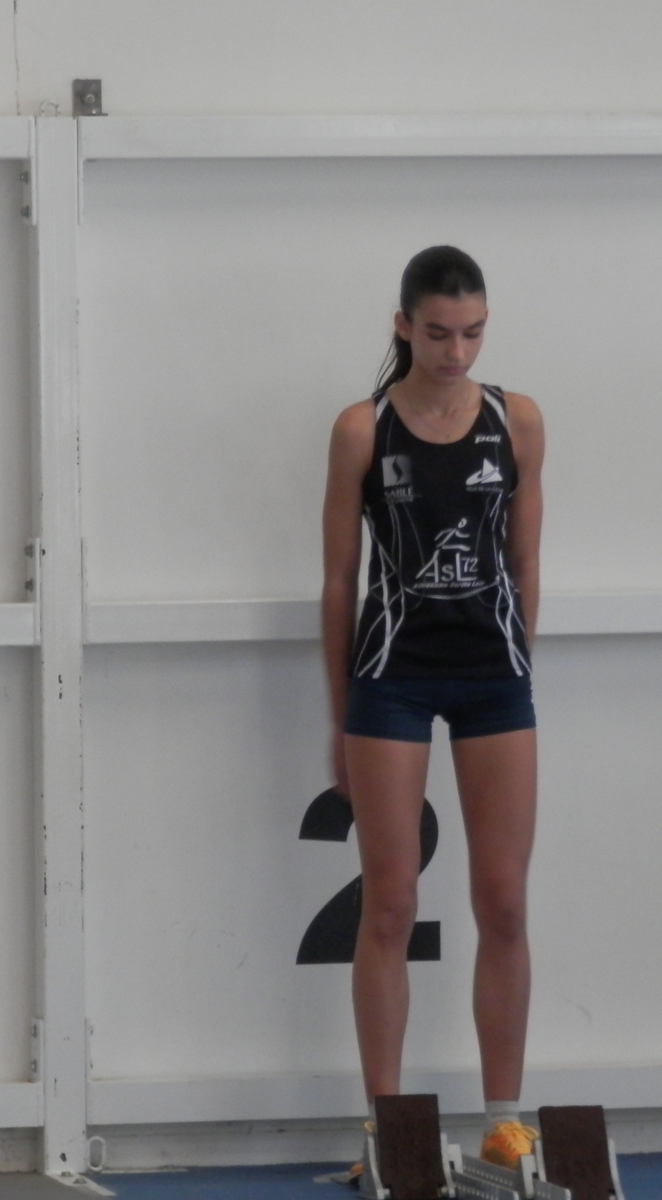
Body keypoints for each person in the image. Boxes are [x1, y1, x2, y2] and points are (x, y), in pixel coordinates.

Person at [321, 247, 544, 1172]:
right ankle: (392, 1129)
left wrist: (519, 670)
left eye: (474, 334)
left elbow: (525, 564)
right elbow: (339, 582)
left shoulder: (516, 420)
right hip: (393, 677)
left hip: (494, 678)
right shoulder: (361, 429)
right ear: (403, 326)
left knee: (504, 901)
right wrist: (339, 716)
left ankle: (505, 1122)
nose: (457, 353)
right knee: (391, 903)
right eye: (440, 334)